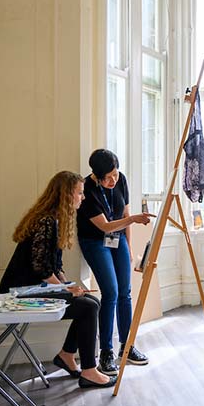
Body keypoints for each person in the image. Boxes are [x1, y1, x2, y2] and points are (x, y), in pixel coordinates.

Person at [0, 171, 116, 389]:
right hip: (18, 294)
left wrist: (69, 285)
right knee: (88, 308)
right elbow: (41, 269)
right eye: (79, 193)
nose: (83, 197)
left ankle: (67, 355)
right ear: (67, 195)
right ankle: (89, 370)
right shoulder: (46, 222)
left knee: (92, 303)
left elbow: (53, 266)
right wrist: (66, 289)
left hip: (31, 288)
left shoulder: (52, 220)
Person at [77, 149, 154, 375]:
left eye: (115, 175)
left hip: (118, 239)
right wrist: (131, 220)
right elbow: (105, 226)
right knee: (110, 293)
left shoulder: (122, 180)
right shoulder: (87, 189)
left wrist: (128, 246)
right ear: (96, 176)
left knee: (125, 292)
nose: (113, 180)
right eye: (107, 178)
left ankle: (127, 347)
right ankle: (106, 352)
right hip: (95, 241)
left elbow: (124, 213)